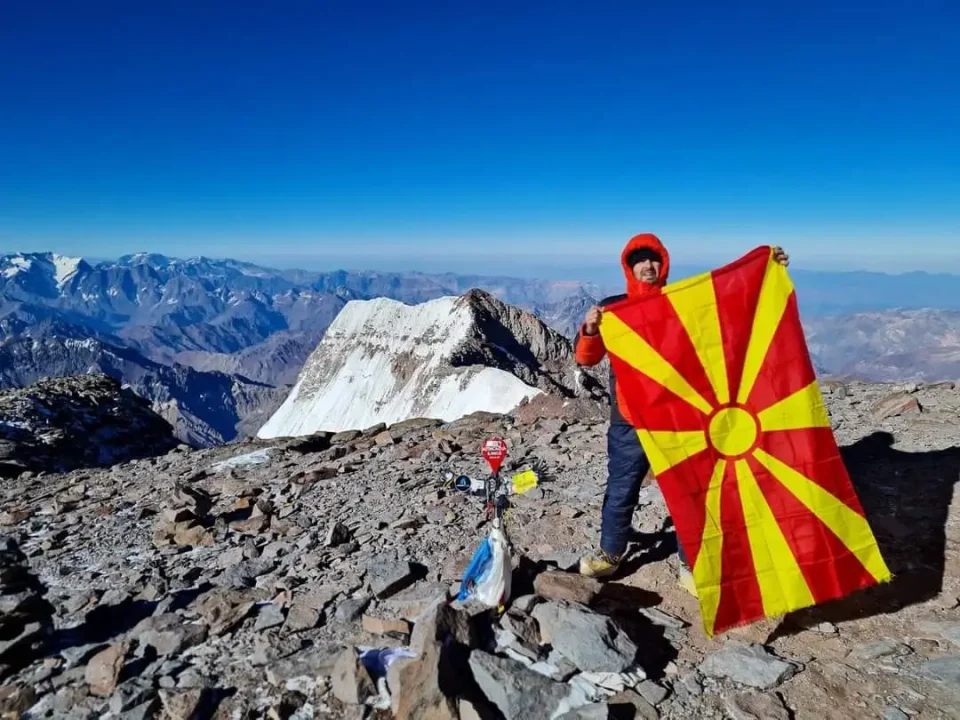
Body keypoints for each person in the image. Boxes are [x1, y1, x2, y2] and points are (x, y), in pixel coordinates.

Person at [574, 233, 789, 593]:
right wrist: (591, 329)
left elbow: (728, 310)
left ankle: (690, 563)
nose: (647, 266)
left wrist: (764, 272)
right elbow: (586, 358)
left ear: (664, 264)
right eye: (639, 260)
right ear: (629, 267)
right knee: (621, 489)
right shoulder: (612, 309)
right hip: (628, 421)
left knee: (687, 492)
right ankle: (611, 554)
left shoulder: (681, 304)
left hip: (676, 420)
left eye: (653, 259)